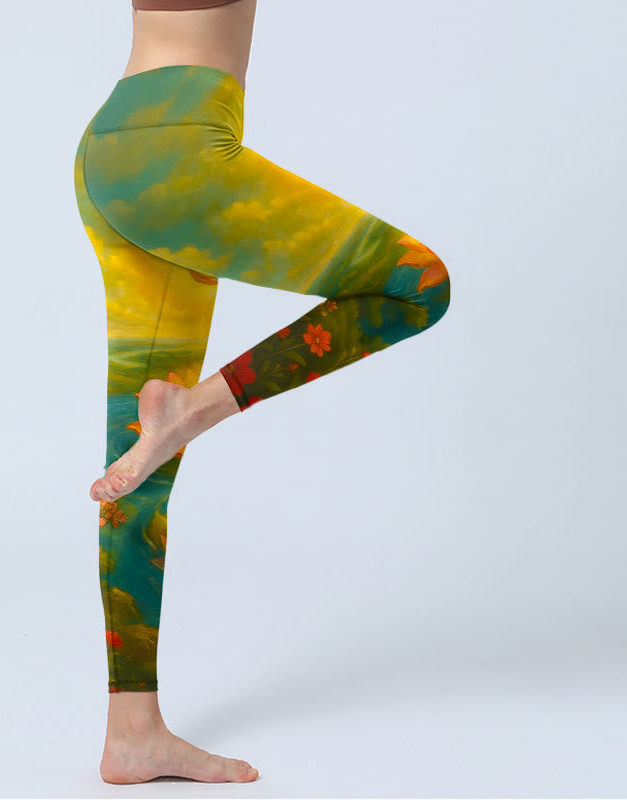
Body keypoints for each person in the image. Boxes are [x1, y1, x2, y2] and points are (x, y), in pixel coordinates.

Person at [73, 0, 450, 785]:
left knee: (137, 470)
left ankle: (132, 733)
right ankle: (193, 411)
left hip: (113, 146)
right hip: (180, 149)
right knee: (418, 285)